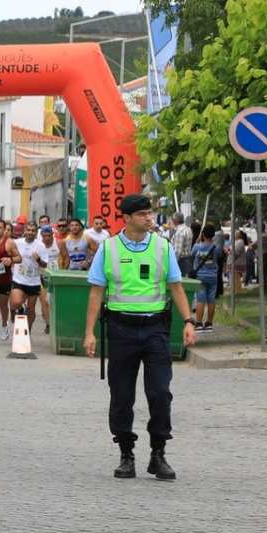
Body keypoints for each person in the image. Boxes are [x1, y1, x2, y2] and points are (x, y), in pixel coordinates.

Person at [85, 193, 194, 481]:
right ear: (127, 218)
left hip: (156, 329)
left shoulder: (163, 247)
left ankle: (158, 453)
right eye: (144, 214)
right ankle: (126, 454)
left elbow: (176, 287)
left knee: (160, 393)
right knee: (121, 395)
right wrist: (89, 333)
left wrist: (189, 321)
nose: (150, 218)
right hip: (120, 330)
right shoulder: (107, 249)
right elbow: (96, 292)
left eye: (150, 213)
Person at [9, 221, 50, 334]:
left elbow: (45, 264)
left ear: (36, 232)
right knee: (16, 302)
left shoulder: (40, 246)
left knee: (31, 309)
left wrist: (38, 259)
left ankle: (28, 330)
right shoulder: (17, 243)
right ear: (24, 231)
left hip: (33, 281)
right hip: (19, 279)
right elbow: (8, 252)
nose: (30, 232)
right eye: (28, 230)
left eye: (33, 230)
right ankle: (13, 310)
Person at [191, 223, 221, 330]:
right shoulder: (216, 248)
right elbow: (218, 257)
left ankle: (198, 323)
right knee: (211, 299)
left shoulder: (197, 247)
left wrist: (198, 240)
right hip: (213, 276)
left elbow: (192, 254)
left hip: (200, 277)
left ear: (203, 234)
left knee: (200, 299)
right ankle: (209, 323)